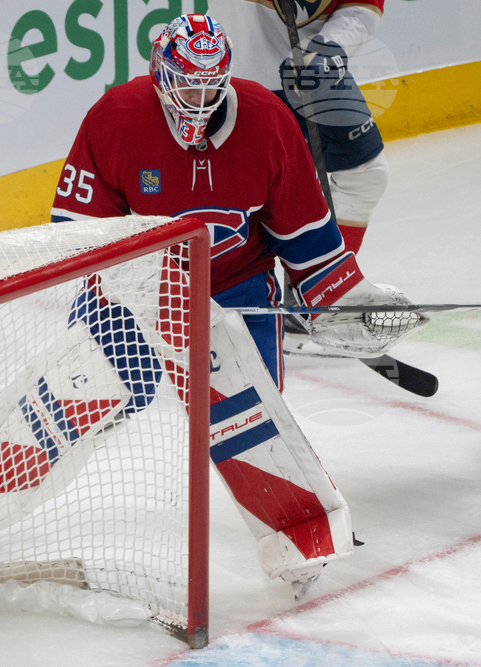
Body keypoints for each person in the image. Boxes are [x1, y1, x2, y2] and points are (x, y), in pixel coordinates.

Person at [49, 14, 424, 593]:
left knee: (251, 419)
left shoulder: (269, 122)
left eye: (210, 85)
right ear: (160, 73)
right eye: (187, 85)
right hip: (136, 288)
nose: (199, 101)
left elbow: (309, 242)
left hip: (238, 291)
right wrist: (132, 289)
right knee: (76, 396)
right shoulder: (115, 119)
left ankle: (300, 537)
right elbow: (75, 234)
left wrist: (350, 303)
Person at [203, 0, 388, 258]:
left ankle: (331, 278)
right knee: (232, 191)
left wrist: (328, 46)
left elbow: (362, 7)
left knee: (366, 174)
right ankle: (231, 283)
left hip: (311, 65)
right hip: (235, 68)